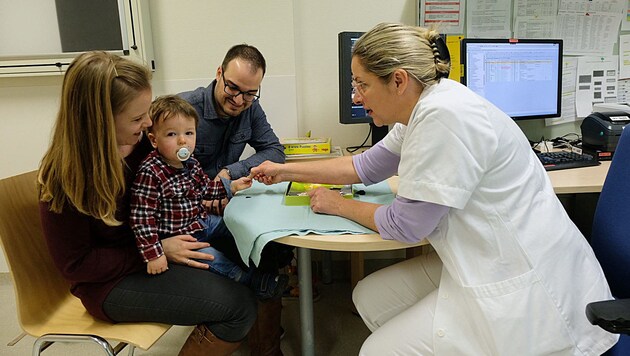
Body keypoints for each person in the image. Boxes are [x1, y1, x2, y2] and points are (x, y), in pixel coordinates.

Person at [251, 23, 619, 355]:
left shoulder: (443, 118)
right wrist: (284, 170)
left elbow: (405, 226)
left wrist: (336, 204)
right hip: (480, 255)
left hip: (525, 286)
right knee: (369, 297)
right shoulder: (424, 104)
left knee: (375, 352)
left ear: (398, 80)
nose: (357, 96)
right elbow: (363, 166)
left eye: (362, 84)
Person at [37, 51, 257, 356]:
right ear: (100, 119)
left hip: (151, 249)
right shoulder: (65, 178)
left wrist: (216, 195)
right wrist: (156, 250)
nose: (148, 123)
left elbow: (178, 187)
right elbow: (76, 265)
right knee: (238, 306)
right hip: (110, 282)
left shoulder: (140, 144)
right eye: (138, 117)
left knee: (252, 252)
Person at [180, 44, 292, 355]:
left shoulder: (249, 109)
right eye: (233, 88)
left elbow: (275, 151)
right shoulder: (182, 111)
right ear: (218, 73)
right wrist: (205, 195)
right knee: (243, 253)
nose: (240, 100)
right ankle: (248, 325)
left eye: (250, 93)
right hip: (189, 215)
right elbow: (160, 178)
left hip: (226, 206)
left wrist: (232, 170)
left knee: (271, 244)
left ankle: (266, 343)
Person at [130, 95, 287, 299]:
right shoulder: (150, 172)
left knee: (238, 226)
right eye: (171, 134)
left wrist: (232, 186)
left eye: (189, 133)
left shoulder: (191, 163)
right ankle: (252, 281)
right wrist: (153, 254)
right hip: (182, 236)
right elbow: (141, 219)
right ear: (153, 140)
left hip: (201, 220)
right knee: (215, 259)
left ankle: (267, 261)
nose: (182, 141)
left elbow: (205, 189)